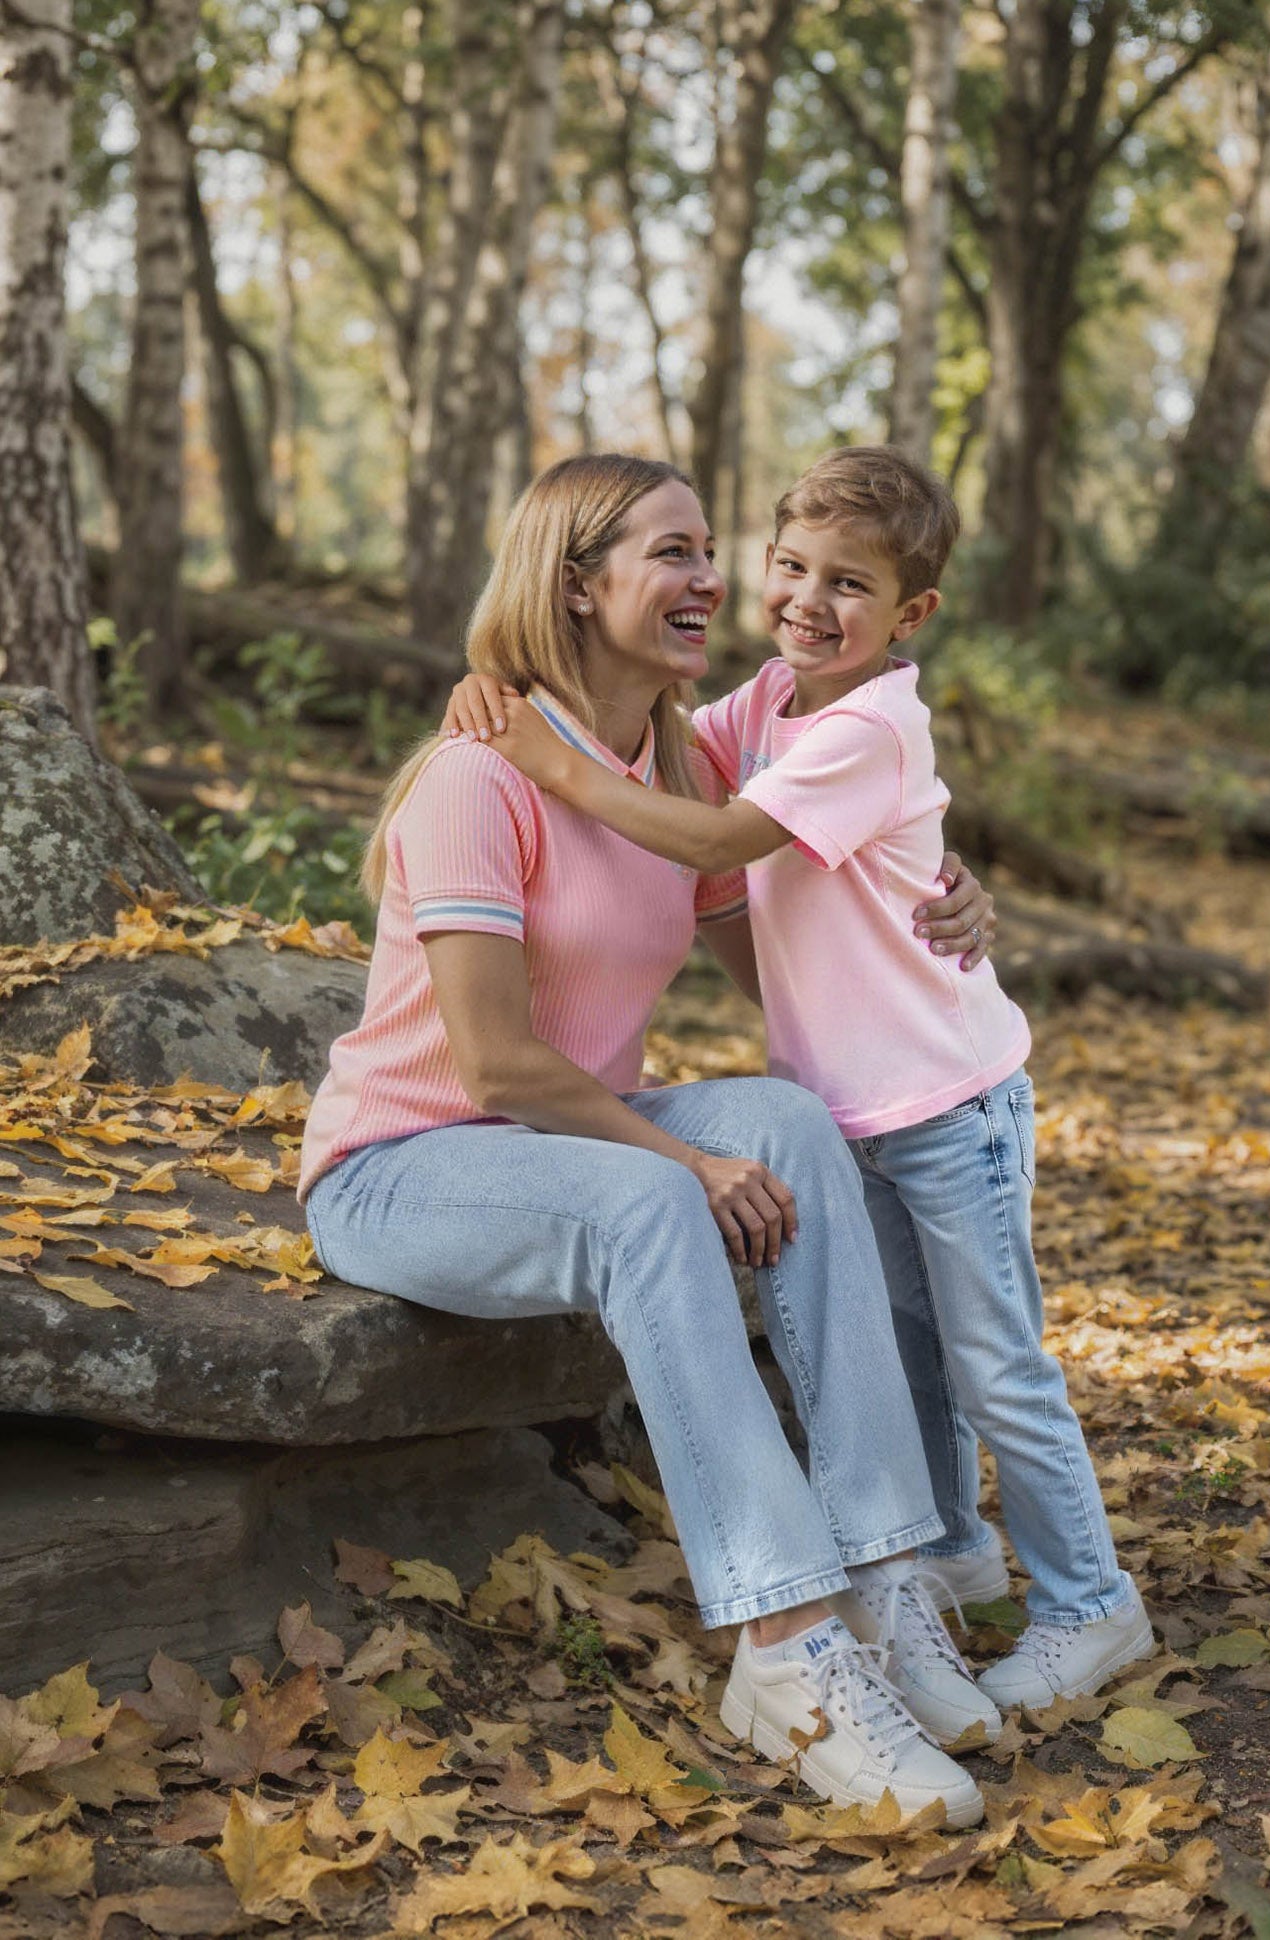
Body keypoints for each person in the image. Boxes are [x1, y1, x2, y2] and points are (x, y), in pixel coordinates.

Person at [301, 452, 1009, 1826]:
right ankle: (784, 1648)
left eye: (706, 551)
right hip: (406, 1167)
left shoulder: (685, 758)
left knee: (787, 1121)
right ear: (578, 585)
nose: (709, 581)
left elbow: (776, 945)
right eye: (671, 554)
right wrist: (683, 1165)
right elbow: (498, 1062)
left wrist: (936, 901)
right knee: (655, 1208)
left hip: (564, 1144)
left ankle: (879, 1579)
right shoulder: (476, 780)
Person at [442, 445, 1156, 1709]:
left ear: (911, 616)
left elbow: (713, 832)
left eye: (851, 584)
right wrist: (494, 687)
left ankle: (1093, 1601)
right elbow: (648, 734)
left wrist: (553, 769)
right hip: (855, 1106)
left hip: (945, 1099)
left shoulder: (872, 723)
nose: (806, 600)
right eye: (790, 567)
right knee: (906, 1344)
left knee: (996, 1359)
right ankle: (949, 1549)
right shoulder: (768, 700)